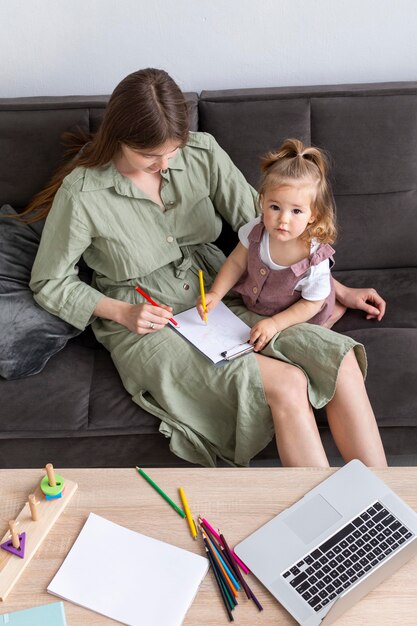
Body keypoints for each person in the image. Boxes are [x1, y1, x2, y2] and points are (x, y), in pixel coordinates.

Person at [25, 68, 387, 468]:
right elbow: (50, 281)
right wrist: (121, 312)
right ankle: (324, 523)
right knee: (288, 383)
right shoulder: (82, 192)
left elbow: (273, 230)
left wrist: (336, 288)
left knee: (339, 361)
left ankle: (386, 514)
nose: (164, 164)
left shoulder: (202, 152)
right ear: (119, 137)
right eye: (150, 155)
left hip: (217, 291)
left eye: (172, 150)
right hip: (146, 318)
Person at [197, 138, 339, 351]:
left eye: (296, 211)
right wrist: (216, 293)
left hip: (297, 312)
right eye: (275, 207)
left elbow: (311, 303)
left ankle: (336, 312)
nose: (283, 219)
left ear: (313, 215)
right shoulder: (257, 229)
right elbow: (236, 262)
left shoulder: (314, 258)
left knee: (311, 339)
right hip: (258, 307)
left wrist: (275, 324)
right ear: (262, 201)